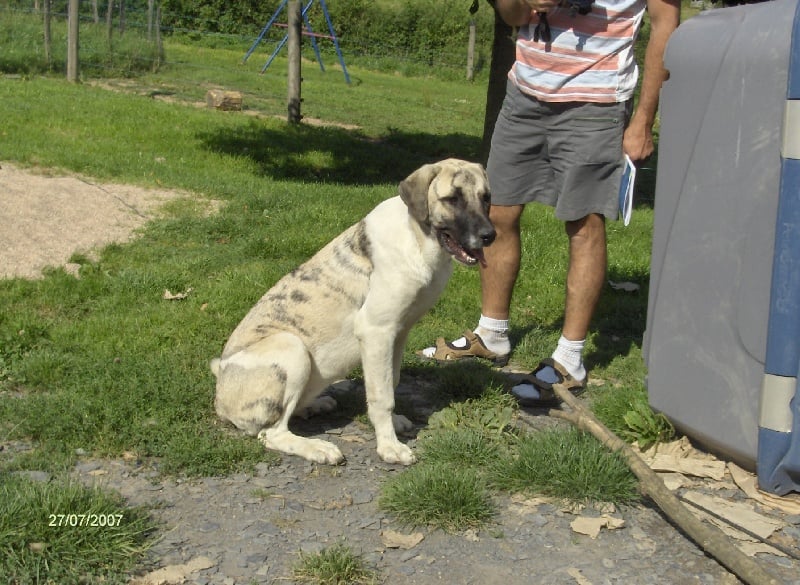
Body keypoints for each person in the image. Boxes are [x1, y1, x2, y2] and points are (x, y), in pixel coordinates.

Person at [420, 0, 680, 405]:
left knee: (584, 223)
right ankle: (492, 334)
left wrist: (644, 119)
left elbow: (666, 23)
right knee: (496, 212)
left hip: (597, 102)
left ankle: (569, 359)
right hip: (524, 93)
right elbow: (514, 15)